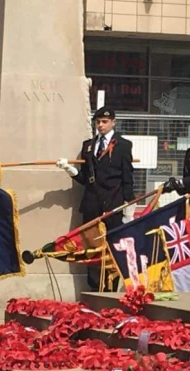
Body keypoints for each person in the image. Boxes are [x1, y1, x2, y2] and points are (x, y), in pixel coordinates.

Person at [56, 106, 135, 290]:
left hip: (113, 204)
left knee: (113, 247)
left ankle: (111, 288)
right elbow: (86, 178)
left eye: (105, 122)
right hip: (92, 204)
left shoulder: (123, 145)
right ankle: (94, 289)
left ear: (113, 122)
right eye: (98, 122)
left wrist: (128, 206)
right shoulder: (88, 145)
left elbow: (127, 177)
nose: (101, 125)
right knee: (91, 248)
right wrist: (70, 169)